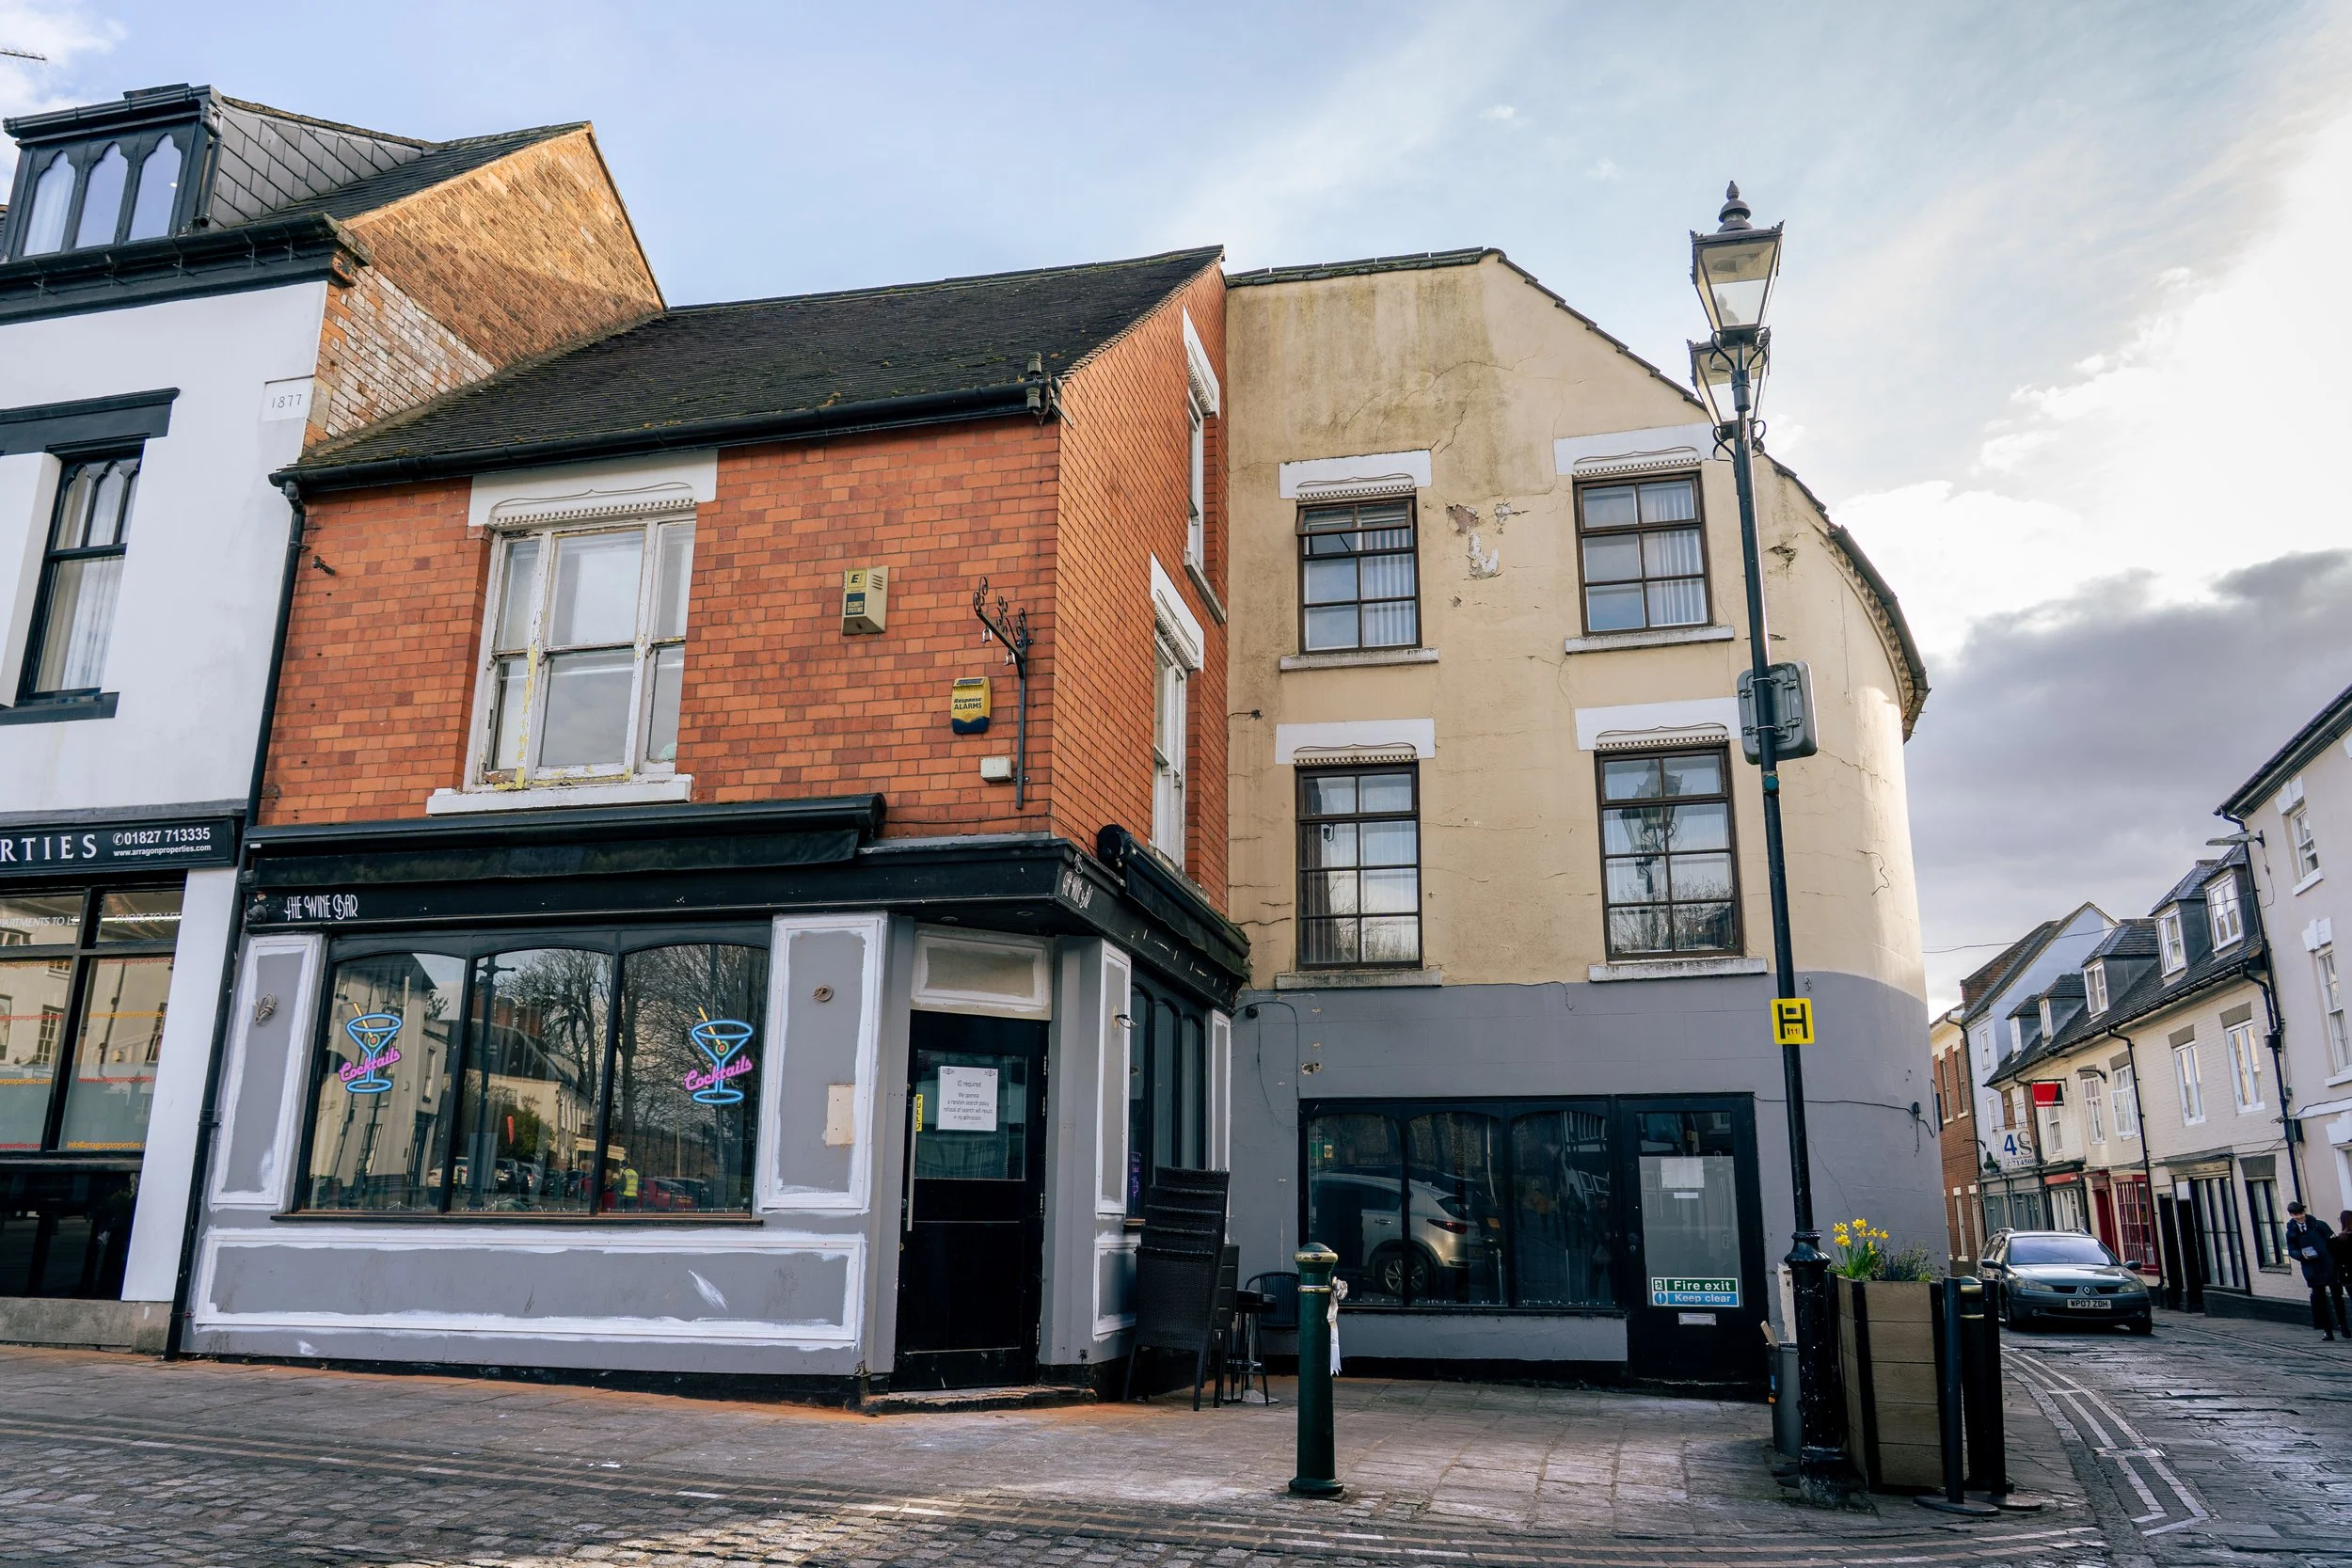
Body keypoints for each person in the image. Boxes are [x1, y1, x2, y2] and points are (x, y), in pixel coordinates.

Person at [2283, 1202, 2348, 1339]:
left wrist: (2335, 1258)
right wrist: (2301, 1255)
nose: (2300, 1217)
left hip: (2329, 1264)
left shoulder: (2319, 1225)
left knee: (2337, 1296)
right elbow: (2292, 1250)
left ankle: (2344, 1326)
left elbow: (2332, 1241)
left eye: (2301, 1213)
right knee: (2320, 1299)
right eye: (2296, 1214)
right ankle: (2327, 1330)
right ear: (2291, 1215)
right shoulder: (2292, 1232)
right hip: (2312, 1267)